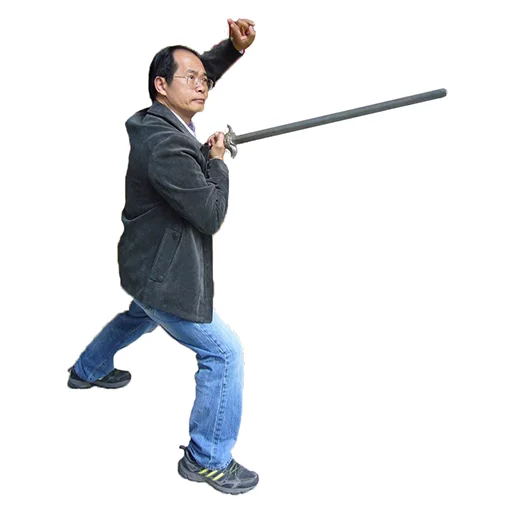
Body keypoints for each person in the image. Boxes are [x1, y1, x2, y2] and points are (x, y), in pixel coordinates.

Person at [67, 18, 259, 495]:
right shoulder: (168, 145)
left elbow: (193, 73)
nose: (202, 85)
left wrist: (231, 50)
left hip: (142, 263)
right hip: (162, 274)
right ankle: (207, 459)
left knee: (140, 315)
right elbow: (210, 214)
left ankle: (87, 370)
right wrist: (216, 163)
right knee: (224, 352)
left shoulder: (157, 118)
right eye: (191, 79)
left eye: (205, 79)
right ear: (161, 85)